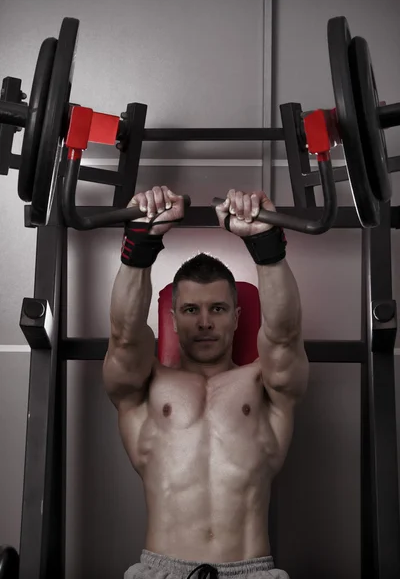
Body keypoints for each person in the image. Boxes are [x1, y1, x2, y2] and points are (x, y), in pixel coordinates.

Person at [103, 186, 309, 579]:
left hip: (249, 571)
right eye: (190, 310)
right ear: (173, 317)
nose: (203, 322)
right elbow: (125, 337)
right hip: (162, 570)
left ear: (236, 315)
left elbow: (284, 336)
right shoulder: (146, 389)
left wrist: (265, 244)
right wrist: (140, 241)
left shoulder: (264, 386)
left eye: (217, 309)